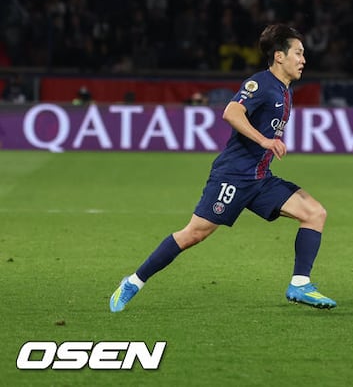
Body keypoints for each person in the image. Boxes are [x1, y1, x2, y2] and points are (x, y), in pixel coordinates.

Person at [110, 24, 336, 312]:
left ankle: (300, 285)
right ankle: (134, 281)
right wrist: (265, 140)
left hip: (260, 179)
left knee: (315, 213)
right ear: (279, 56)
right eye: (298, 53)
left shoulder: (285, 90)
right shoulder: (261, 84)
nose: (303, 59)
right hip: (233, 177)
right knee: (194, 234)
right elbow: (231, 112)